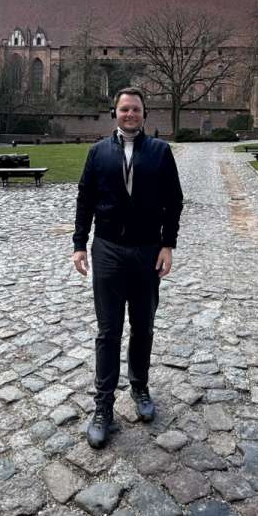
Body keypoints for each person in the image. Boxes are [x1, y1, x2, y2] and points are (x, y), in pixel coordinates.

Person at [72, 87, 184, 449]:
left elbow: (174, 200)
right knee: (108, 331)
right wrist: (79, 244)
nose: (130, 114)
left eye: (135, 109)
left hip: (147, 250)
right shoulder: (98, 153)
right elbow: (85, 198)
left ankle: (139, 387)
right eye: (124, 109)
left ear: (144, 114)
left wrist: (169, 244)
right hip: (107, 250)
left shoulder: (160, 153)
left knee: (143, 326)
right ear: (114, 113)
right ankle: (103, 406)